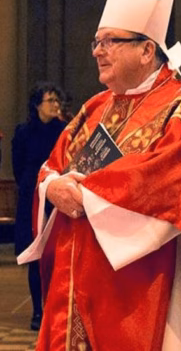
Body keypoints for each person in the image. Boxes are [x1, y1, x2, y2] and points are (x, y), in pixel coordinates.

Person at [17, 0, 181, 350]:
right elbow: (52, 166)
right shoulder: (95, 107)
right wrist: (51, 187)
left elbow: (170, 185)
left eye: (110, 41)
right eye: (96, 41)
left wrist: (85, 194)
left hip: (143, 283)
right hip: (75, 279)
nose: (97, 51)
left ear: (146, 50)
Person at [12, 82, 67, 330]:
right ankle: (37, 311)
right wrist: (31, 187)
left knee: (57, 255)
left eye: (57, 100)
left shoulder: (64, 131)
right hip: (30, 198)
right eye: (50, 100)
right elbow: (18, 166)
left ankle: (57, 309)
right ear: (37, 105)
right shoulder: (23, 132)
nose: (56, 105)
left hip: (56, 199)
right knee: (35, 256)